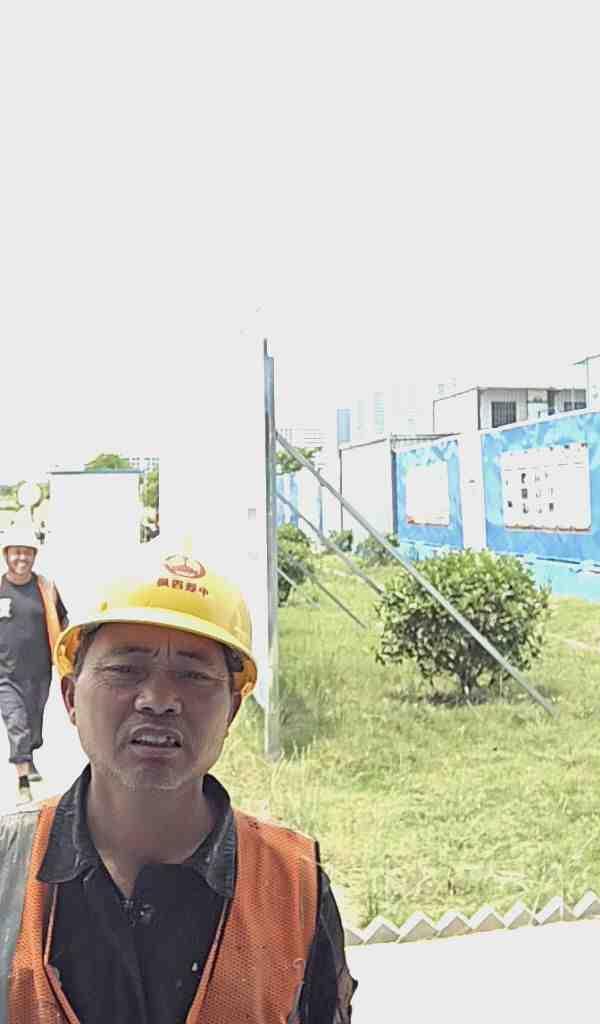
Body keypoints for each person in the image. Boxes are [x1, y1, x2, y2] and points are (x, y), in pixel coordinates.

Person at [0, 548, 356, 1023]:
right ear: (70, 697)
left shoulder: (295, 886)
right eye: (126, 669)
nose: (159, 700)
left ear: (231, 711)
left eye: (192, 675)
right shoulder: (7, 865)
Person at [0, 527, 68, 803]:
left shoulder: (46, 588)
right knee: (16, 722)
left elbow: (63, 621)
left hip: (40, 673)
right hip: (5, 674)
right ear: (6, 555)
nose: (22, 558)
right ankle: (23, 781)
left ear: (34, 556)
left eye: (27, 553)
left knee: (33, 724)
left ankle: (29, 756)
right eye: (16, 552)